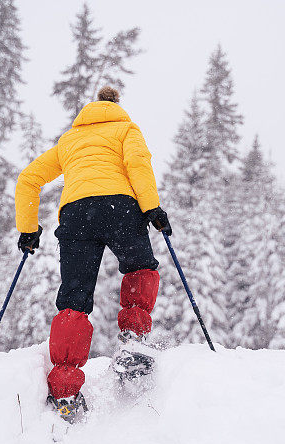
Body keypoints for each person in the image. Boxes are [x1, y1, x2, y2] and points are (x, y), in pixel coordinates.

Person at [14, 86, 171, 423]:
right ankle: (134, 341)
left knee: (74, 298)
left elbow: (29, 178)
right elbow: (137, 163)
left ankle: (66, 388)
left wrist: (28, 229)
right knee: (140, 267)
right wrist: (152, 207)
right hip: (120, 209)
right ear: (116, 106)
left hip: (77, 214)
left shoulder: (70, 141)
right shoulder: (126, 129)